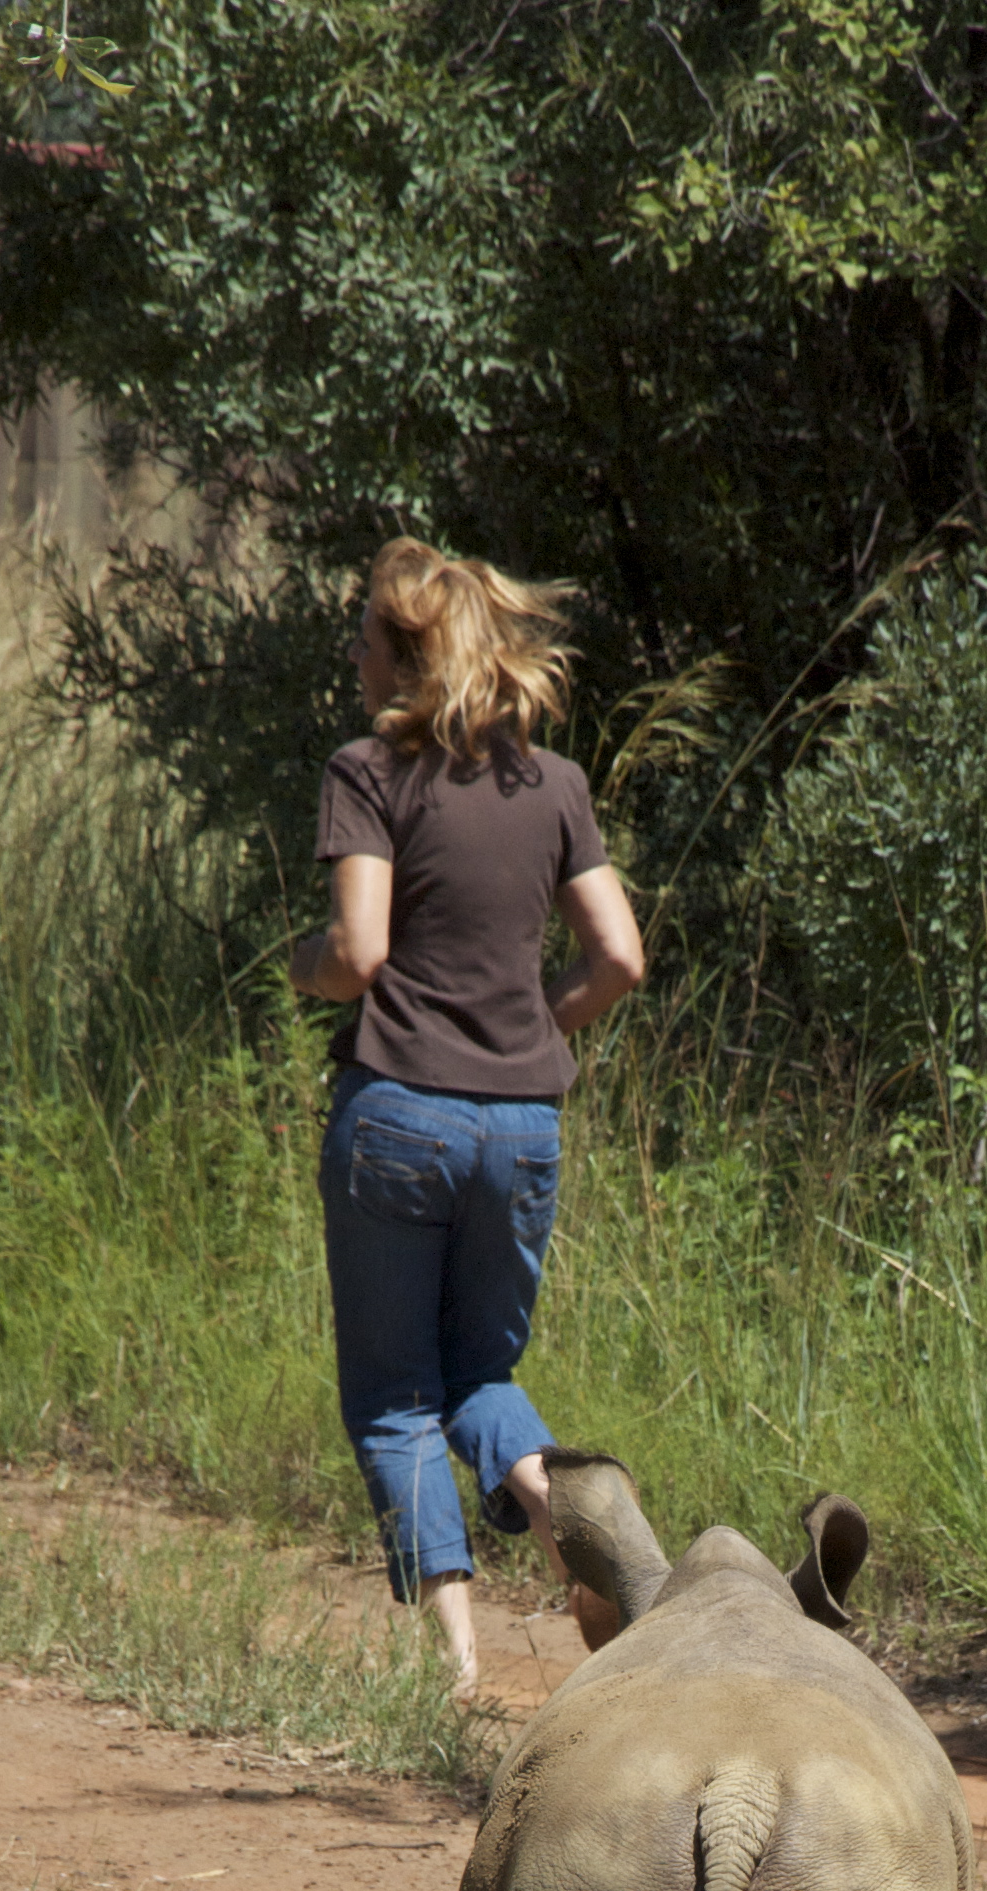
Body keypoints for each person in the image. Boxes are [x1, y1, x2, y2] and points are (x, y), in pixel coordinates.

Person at [288, 538, 643, 1696]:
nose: (354, 652)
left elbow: (361, 952)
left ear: (410, 658)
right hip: (523, 1125)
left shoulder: (368, 772)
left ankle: (456, 1663)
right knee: (481, 1377)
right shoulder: (554, 785)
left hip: (399, 1115)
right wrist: (538, 1024)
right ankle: (585, 1547)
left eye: (369, 637)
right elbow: (622, 958)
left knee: (394, 1396)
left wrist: (304, 967)